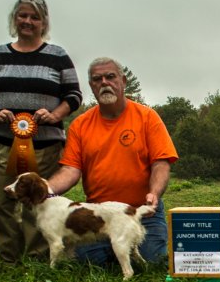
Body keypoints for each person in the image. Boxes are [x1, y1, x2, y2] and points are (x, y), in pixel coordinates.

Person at [0, 0, 82, 263]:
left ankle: (39, 261)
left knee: (41, 204)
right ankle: (9, 261)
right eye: (22, 15)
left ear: (44, 23)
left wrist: (54, 113)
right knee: (5, 204)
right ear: (14, 19)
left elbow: (73, 96)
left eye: (34, 17)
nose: (28, 21)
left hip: (45, 148)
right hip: (4, 145)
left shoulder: (58, 56)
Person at [47, 57, 178, 266]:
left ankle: (127, 248)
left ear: (123, 81)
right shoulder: (80, 125)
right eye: (97, 79)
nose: (104, 83)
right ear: (91, 86)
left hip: (141, 212)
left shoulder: (147, 117)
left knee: (153, 261)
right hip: (98, 215)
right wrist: (46, 188)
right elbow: (70, 170)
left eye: (110, 77)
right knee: (92, 263)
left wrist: (154, 194)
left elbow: (161, 163)